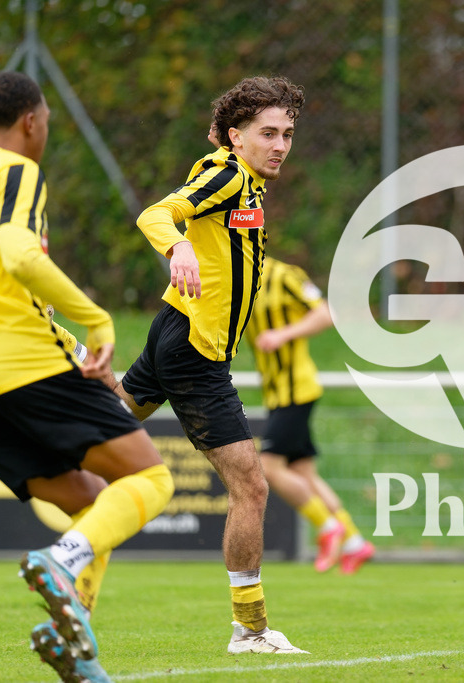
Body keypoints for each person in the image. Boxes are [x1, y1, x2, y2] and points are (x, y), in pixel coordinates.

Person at [0, 71, 174, 683]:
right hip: (21, 361)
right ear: (31, 121)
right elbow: (19, 255)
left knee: (93, 502)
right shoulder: (15, 170)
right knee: (151, 479)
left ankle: (75, 640)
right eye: (48, 122)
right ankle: (60, 570)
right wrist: (96, 320)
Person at [112, 76, 308, 654]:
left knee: (100, 429)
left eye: (288, 134)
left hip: (176, 331)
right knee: (250, 486)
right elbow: (157, 214)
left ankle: (54, 387)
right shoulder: (225, 174)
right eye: (267, 133)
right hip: (195, 353)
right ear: (235, 135)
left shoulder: (247, 182)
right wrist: (179, 247)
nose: (280, 145)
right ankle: (250, 630)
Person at [247, 256, 375, 574]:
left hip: (296, 390)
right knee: (305, 474)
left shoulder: (284, 275)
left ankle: (328, 526)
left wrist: (284, 334)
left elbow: (325, 313)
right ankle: (355, 543)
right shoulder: (236, 280)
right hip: (277, 392)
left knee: (270, 468)